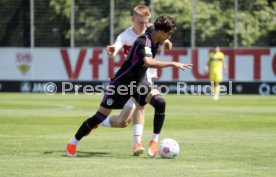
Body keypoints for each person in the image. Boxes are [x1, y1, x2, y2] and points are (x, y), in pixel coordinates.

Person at [66, 15, 192, 158]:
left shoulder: (154, 31)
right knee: (99, 116)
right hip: (122, 83)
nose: (169, 37)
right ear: (161, 31)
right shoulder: (143, 42)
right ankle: (72, 143)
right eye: (168, 34)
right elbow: (149, 62)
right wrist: (174, 63)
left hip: (140, 82)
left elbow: (150, 24)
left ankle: (153, 142)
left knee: (160, 102)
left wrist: (163, 33)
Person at [101, 4, 172, 156]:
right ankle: (136, 143)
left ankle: (102, 122)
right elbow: (115, 49)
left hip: (147, 77)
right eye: (141, 22)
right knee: (130, 115)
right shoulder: (125, 36)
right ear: (133, 19)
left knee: (124, 120)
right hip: (131, 80)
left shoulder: (152, 30)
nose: (144, 25)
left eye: (146, 22)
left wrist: (167, 43)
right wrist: (112, 51)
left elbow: (165, 43)